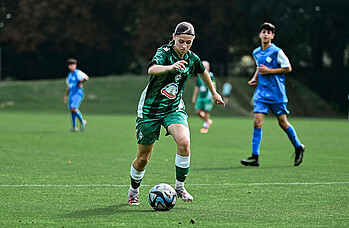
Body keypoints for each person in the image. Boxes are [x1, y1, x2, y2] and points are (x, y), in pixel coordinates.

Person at [128, 22, 225, 205]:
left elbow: (202, 72)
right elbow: (151, 69)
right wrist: (171, 67)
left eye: (189, 42)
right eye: (181, 41)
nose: (184, 46)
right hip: (150, 110)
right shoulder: (164, 53)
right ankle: (133, 191)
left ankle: (180, 187)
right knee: (143, 158)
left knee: (184, 142)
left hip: (174, 108)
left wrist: (214, 93)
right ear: (174, 37)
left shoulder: (192, 58)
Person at [241, 22, 305, 167]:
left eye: (268, 32)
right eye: (263, 31)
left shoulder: (277, 52)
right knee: (257, 122)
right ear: (259, 34)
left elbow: (288, 68)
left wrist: (270, 71)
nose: (265, 34)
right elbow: (259, 66)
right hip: (261, 93)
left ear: (272, 36)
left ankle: (298, 147)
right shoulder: (256, 52)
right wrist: (254, 78)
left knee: (283, 123)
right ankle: (254, 157)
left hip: (276, 93)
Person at [64, 58, 89, 132]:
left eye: (73, 64)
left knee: (74, 108)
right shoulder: (69, 75)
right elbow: (69, 86)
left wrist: (79, 82)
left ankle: (82, 121)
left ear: (75, 65)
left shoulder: (77, 72)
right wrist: (66, 95)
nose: (71, 66)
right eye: (70, 65)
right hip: (72, 93)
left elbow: (86, 77)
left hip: (77, 93)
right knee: (71, 110)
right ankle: (74, 127)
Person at [192, 60, 215, 133]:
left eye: (206, 66)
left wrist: (213, 95)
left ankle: (205, 127)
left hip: (207, 96)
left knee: (206, 111)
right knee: (198, 111)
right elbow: (197, 87)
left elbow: (213, 85)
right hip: (200, 96)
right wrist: (194, 96)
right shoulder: (199, 76)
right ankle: (207, 121)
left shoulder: (211, 75)